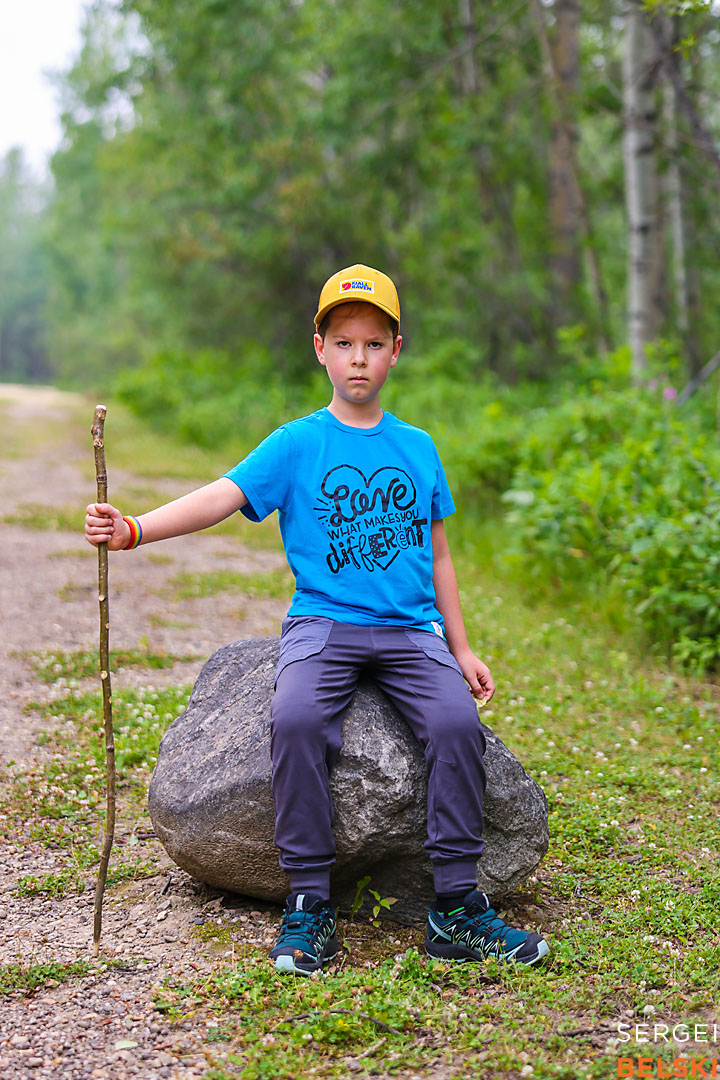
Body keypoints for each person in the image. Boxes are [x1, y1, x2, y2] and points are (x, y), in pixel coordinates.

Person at [85, 263, 549, 975]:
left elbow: (439, 555)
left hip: (409, 631)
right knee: (297, 717)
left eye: (374, 344)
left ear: (396, 351)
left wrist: (460, 647)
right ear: (320, 350)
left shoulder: (417, 447)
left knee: (457, 725)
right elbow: (220, 496)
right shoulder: (297, 443)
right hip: (324, 624)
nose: (358, 358)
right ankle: (309, 901)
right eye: (344, 343)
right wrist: (135, 529)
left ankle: (456, 905)